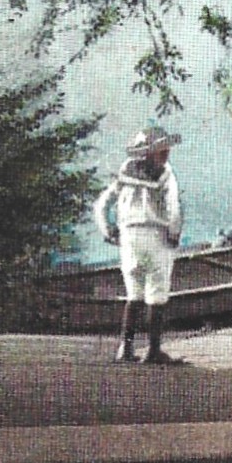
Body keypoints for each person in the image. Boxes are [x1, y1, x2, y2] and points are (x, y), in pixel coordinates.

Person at [94, 125, 186, 366]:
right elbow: (174, 208)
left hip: (129, 236)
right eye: (162, 150)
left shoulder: (125, 172)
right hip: (155, 235)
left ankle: (125, 348)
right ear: (150, 152)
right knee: (157, 292)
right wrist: (174, 233)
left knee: (134, 292)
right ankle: (153, 350)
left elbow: (102, 204)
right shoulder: (166, 174)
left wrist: (107, 229)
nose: (166, 153)